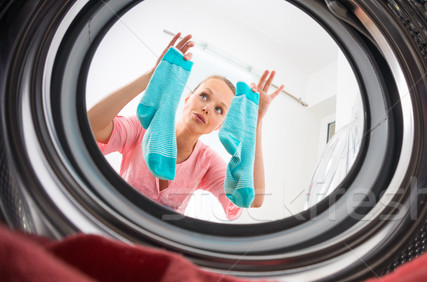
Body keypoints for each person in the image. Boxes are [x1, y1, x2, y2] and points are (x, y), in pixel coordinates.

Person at [87, 33, 283, 220]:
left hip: (162, 241)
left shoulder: (206, 161)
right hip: (116, 220)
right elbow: (92, 126)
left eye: (219, 110)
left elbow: (253, 199)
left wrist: (255, 124)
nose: (207, 108)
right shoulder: (142, 128)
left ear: (219, 126)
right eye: (204, 96)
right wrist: (152, 77)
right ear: (188, 99)